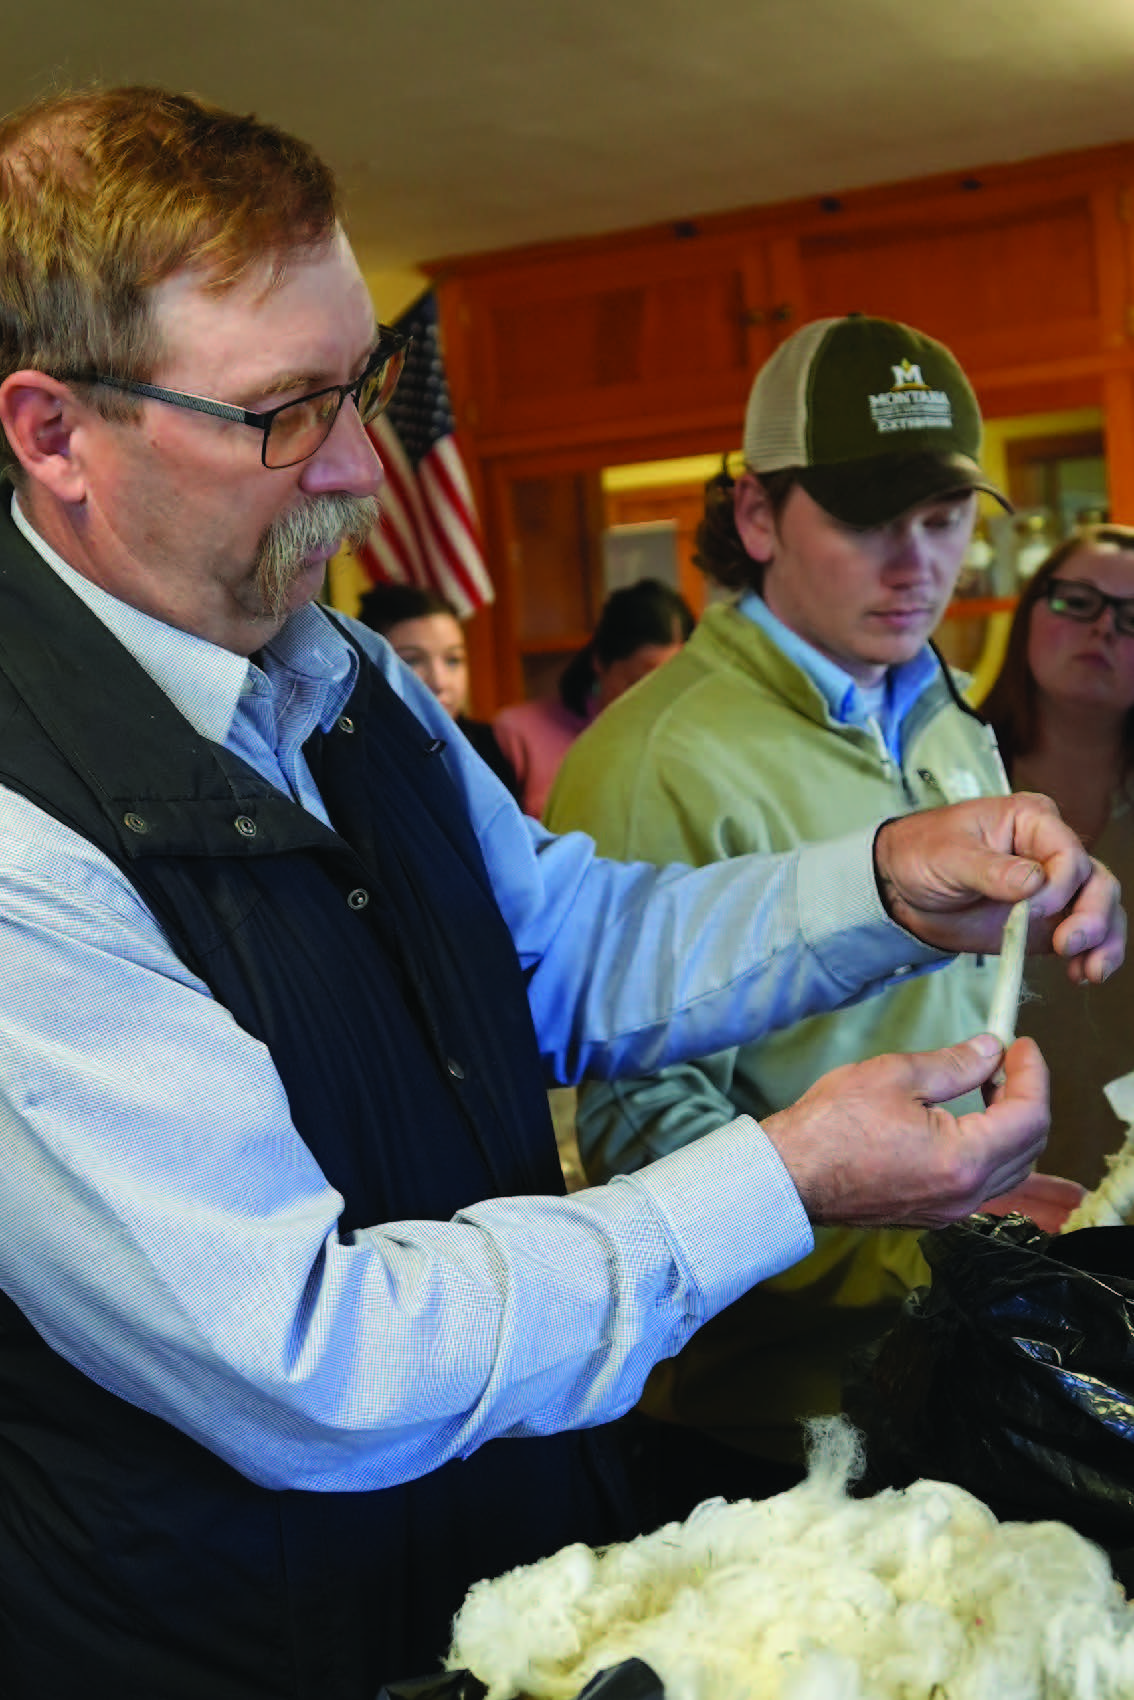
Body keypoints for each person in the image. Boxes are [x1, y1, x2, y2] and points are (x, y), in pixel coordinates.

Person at [0, 88, 1119, 1700]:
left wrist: (880, 887)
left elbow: (560, 948)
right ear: (55, 435)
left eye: (362, 382)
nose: (364, 470)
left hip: (506, 1571)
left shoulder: (345, 671)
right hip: (232, 1643)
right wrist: (778, 1178)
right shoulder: (25, 825)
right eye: (284, 413)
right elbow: (315, 1362)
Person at [544, 313, 1070, 1508]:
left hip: (948, 1376)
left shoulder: (940, 710)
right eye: (868, 520)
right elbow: (630, 1124)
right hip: (757, 1434)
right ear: (756, 517)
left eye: (942, 521)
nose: (917, 564)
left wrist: (973, 1227)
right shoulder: (651, 759)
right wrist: (920, 1234)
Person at [980, 523, 1134, 1186]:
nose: (1104, 629)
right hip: (972, 1176)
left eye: (1133, 617)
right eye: (1078, 600)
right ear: (1028, 613)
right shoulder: (953, 788)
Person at [494, 575, 694, 816]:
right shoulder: (517, 734)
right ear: (600, 660)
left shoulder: (694, 744)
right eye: (641, 684)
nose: (659, 701)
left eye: (673, 685)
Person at [356, 580, 522, 798]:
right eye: (411, 661)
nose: (439, 682)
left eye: (453, 660)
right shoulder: (355, 755)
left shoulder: (491, 744)